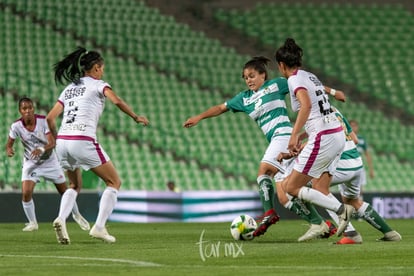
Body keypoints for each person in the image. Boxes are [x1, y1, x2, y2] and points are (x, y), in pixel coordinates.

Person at [46, 47, 149, 244]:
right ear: (95, 68)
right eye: (101, 68)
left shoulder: (68, 88)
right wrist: (135, 116)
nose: (102, 72)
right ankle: (99, 227)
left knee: (74, 185)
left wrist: (57, 138)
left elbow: (50, 118)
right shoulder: (99, 85)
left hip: (63, 142)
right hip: (82, 139)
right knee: (114, 182)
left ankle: (61, 218)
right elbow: (116, 101)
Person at [184, 56, 292, 237]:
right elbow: (220, 107)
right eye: (245, 77)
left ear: (263, 75)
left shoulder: (277, 85)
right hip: (277, 141)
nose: (248, 80)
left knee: (263, 173)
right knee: (288, 194)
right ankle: (321, 223)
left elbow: (301, 84)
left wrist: (330, 92)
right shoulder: (244, 98)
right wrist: (199, 117)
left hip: (284, 135)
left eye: (251, 75)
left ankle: (269, 213)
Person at [274, 38, 354, 238]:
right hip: (335, 134)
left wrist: (293, 135)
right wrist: (335, 92)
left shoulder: (293, 80)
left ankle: (341, 211)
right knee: (320, 186)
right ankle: (352, 235)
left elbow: (307, 105)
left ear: (281, 65)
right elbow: (320, 97)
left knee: (290, 187)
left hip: (324, 136)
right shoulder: (310, 76)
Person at [5, 97, 90, 232]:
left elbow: (52, 142)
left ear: (33, 108)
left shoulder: (43, 121)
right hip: (31, 163)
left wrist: (41, 149)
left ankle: (76, 214)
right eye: (24, 108)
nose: (27, 111)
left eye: (30, 107)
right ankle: (32, 222)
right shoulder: (16, 126)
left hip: (50, 161)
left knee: (64, 191)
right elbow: (9, 144)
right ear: (20, 111)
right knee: (26, 192)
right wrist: (9, 150)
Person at [349, 119, 374, 199]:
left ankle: (358, 208)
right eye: (351, 126)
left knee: (360, 189)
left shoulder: (361, 139)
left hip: (359, 166)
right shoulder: (346, 137)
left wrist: (371, 169)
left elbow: (367, 154)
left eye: (355, 126)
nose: (353, 128)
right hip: (348, 165)